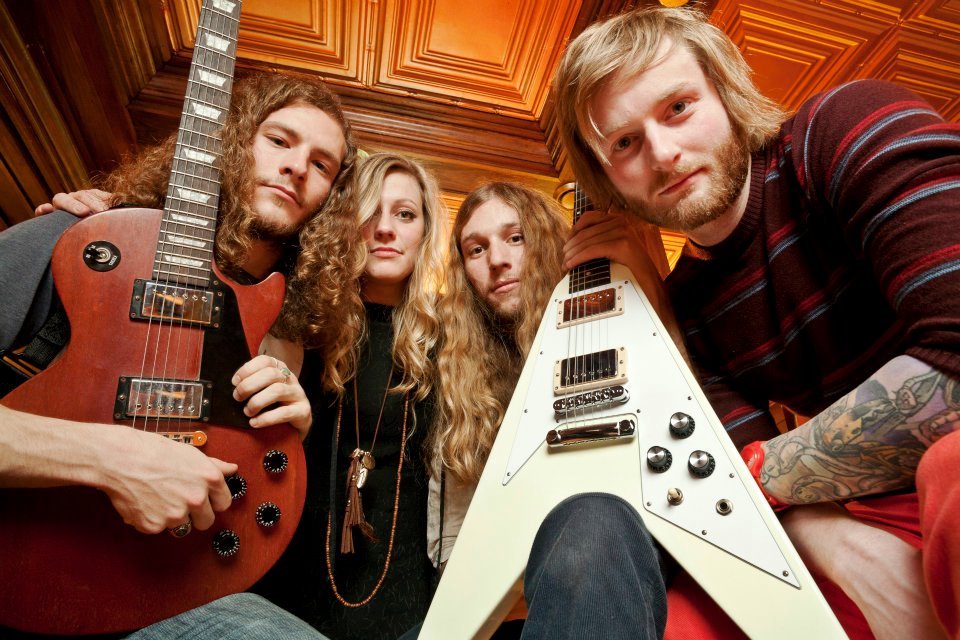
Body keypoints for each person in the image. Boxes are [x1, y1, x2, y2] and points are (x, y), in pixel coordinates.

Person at [552, 5, 960, 640]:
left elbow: (954, 357)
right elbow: (739, 490)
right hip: (850, 509)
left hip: (940, 470)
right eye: (624, 143)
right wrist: (847, 548)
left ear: (725, 90)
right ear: (606, 178)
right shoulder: (690, 302)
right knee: (678, 622)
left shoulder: (838, 126)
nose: (663, 154)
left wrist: (762, 474)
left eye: (678, 107)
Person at [1, 71, 359, 639]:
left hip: (176, 590)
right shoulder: (78, 236)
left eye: (322, 164)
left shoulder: (290, 328)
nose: (297, 166)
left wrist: (287, 437)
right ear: (232, 140)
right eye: (279, 140)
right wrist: (107, 457)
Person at [427, 181, 676, 639]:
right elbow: (453, 549)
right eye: (476, 249)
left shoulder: (614, 318)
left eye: (515, 237)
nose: (497, 259)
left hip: (620, 551)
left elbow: (685, 415)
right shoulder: (463, 379)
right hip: (514, 607)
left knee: (594, 522)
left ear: (544, 241)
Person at [252, 152, 447, 640]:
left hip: (406, 588)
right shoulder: (300, 321)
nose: (385, 229)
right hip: (290, 578)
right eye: (370, 211)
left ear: (425, 232)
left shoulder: (452, 340)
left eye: (405, 214)